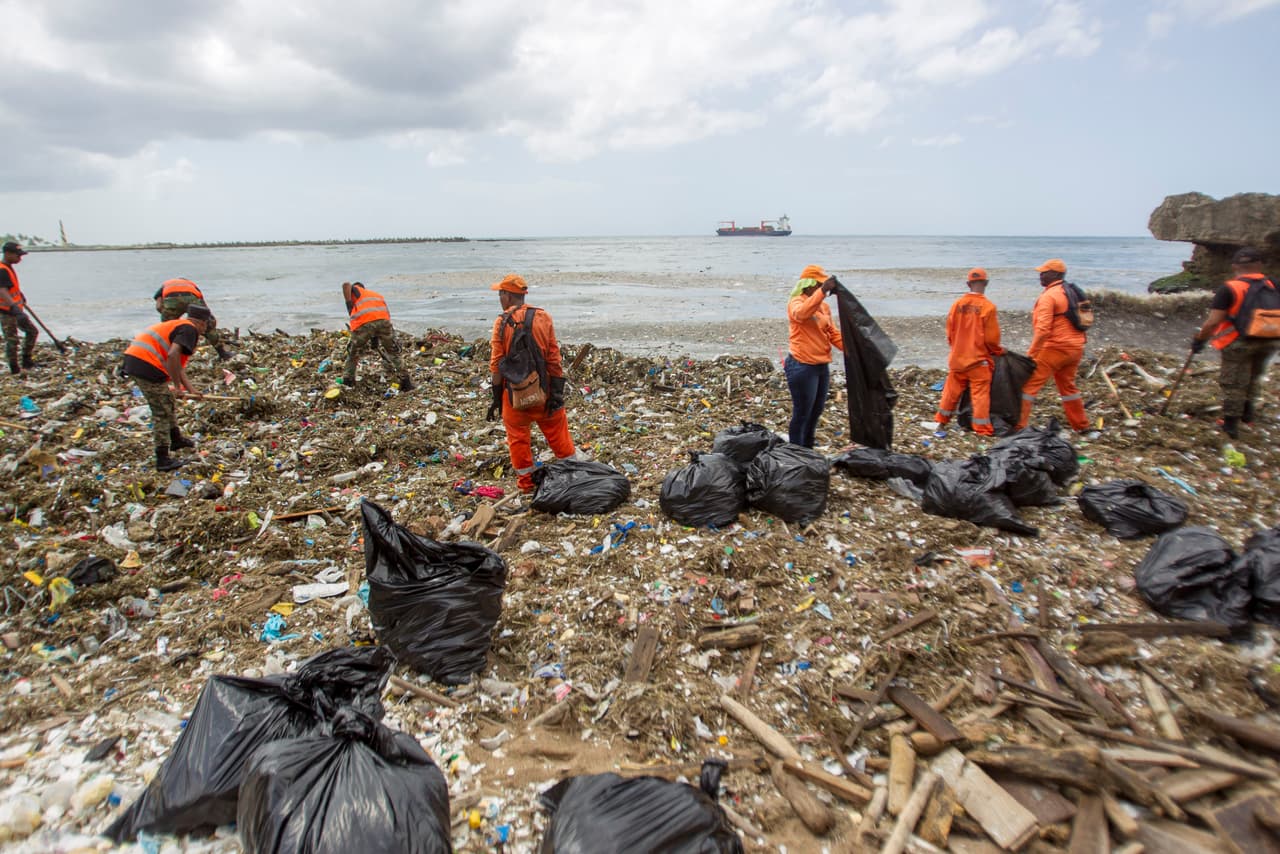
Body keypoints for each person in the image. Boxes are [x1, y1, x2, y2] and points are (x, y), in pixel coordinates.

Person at [486, 274, 576, 493]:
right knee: (559, 437)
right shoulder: (543, 317)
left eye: (500, 293)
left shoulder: (501, 322)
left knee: (518, 440)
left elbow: (497, 365)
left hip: (514, 394)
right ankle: (574, 476)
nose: (499, 297)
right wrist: (556, 394)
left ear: (507, 295)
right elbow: (554, 359)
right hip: (543, 390)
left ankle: (526, 485)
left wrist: (496, 398)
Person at [1191, 246, 1279, 438]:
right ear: (1260, 265)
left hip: (1239, 342)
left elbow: (1213, 321)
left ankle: (1230, 424)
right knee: (1254, 376)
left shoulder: (1229, 288)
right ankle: (1248, 413)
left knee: (1233, 382)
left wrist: (1200, 340)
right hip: (1270, 339)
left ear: (1234, 266)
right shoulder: (1273, 284)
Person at [121, 305, 211, 471]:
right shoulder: (190, 330)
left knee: (166, 401)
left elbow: (177, 364)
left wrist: (190, 390)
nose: (206, 328)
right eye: (206, 324)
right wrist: (177, 386)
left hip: (138, 360)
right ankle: (162, 459)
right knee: (161, 410)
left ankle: (176, 439)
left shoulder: (179, 326)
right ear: (201, 323)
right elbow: (172, 355)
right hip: (145, 364)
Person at [1017, 258, 1090, 433]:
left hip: (1054, 349)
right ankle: (1081, 426)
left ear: (1056, 274)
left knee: (1028, 386)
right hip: (1075, 347)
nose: (1040, 276)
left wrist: (1032, 354)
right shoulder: (1072, 292)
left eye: (1044, 272)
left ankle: (1018, 427)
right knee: (1069, 388)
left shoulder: (1049, 296)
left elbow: (1043, 331)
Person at [934, 268, 1003, 436]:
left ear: (968, 284)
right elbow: (991, 339)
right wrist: (998, 351)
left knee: (951, 392)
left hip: (958, 358)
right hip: (978, 360)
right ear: (986, 283)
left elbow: (950, 333)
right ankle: (982, 429)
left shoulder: (957, 305)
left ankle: (941, 423)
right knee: (980, 395)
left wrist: (957, 348)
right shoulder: (988, 307)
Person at [784, 264, 844, 447]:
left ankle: (807, 447)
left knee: (815, 411)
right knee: (802, 412)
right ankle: (795, 451)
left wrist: (855, 351)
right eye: (818, 285)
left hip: (820, 366)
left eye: (822, 286)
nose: (821, 290)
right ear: (808, 285)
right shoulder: (796, 302)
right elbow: (802, 314)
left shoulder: (824, 308)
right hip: (801, 366)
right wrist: (823, 290)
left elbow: (833, 333)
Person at [341, 281, 413, 391]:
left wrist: (349, 305)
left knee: (353, 352)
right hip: (384, 322)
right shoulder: (376, 296)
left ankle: (348, 381)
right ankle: (406, 382)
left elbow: (346, 285)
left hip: (363, 323)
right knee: (393, 352)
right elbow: (377, 319)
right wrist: (375, 339)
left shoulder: (356, 290)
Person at [152, 278, 231, 360]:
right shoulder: (192, 285)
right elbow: (205, 311)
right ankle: (222, 353)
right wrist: (209, 324)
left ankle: (164, 354)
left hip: (171, 299)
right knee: (207, 325)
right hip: (191, 297)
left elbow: (158, 306)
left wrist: (167, 316)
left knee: (167, 330)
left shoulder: (166, 284)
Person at [1, 241, 39, 375]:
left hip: (16, 310)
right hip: (6, 311)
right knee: (12, 340)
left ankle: (27, 360)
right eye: (17, 255)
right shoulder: (2, 269)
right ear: (7, 254)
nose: (20, 258)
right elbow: (2, 290)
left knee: (32, 332)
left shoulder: (8, 267)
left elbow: (10, 287)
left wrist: (20, 296)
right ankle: (15, 369)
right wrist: (14, 307)